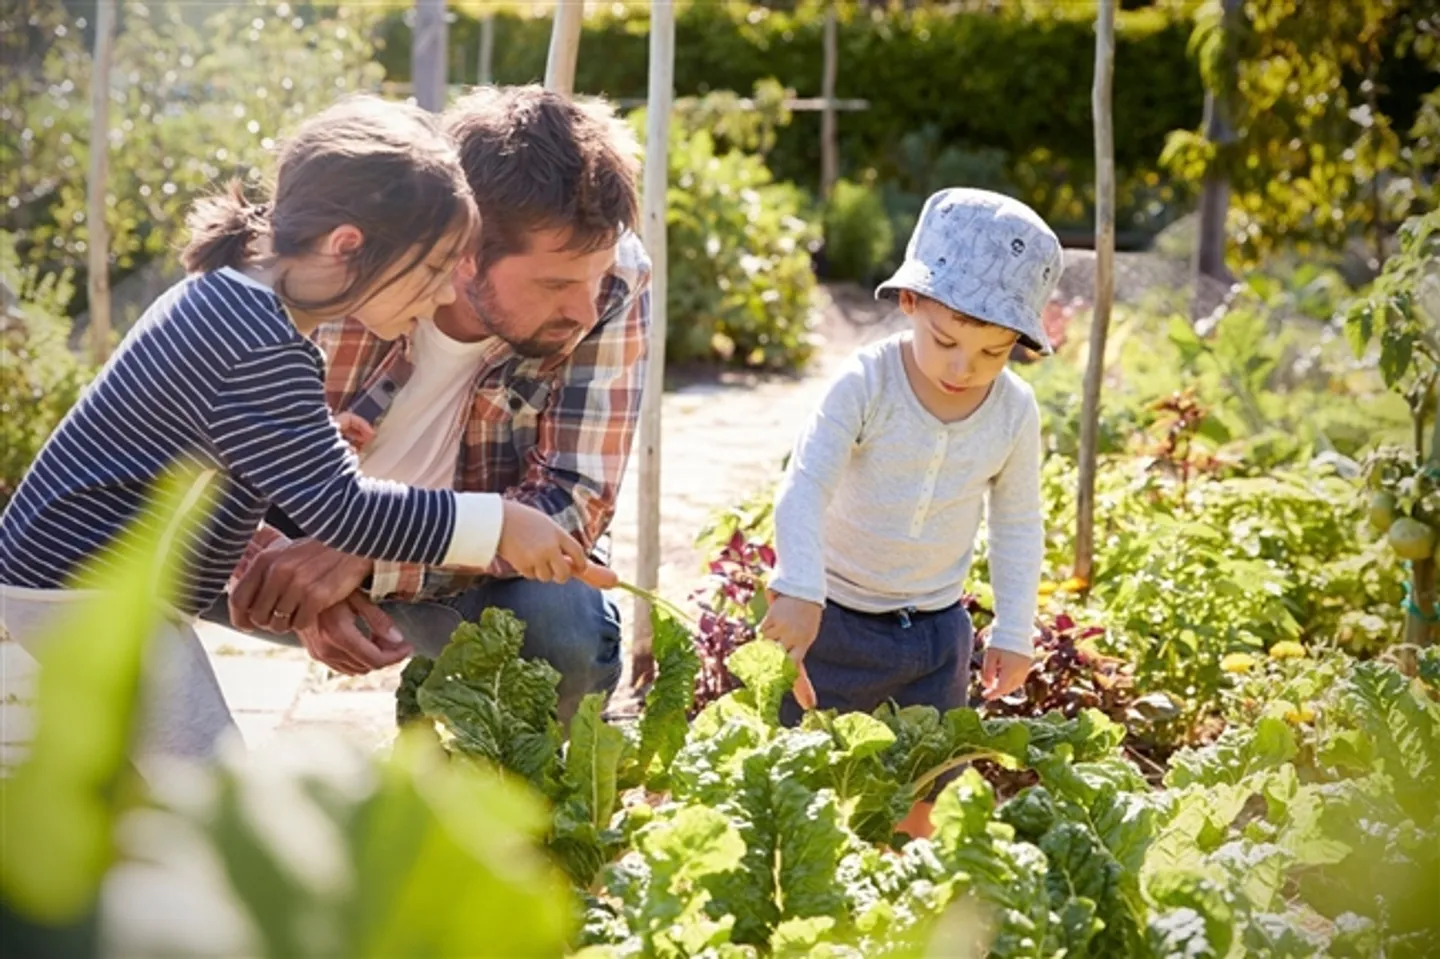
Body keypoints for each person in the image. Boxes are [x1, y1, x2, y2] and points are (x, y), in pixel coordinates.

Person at [0, 94, 609, 768]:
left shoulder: (232, 299)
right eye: (435, 269)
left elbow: (211, 441)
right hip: (90, 587)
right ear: (346, 246)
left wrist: (309, 434)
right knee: (211, 784)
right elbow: (345, 512)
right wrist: (497, 523)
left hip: (74, 574)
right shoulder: (262, 345)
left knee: (155, 774)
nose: (442, 296)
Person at [220, 86, 650, 723]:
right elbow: (186, 475)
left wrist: (363, 549)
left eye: (595, 277)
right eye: (556, 284)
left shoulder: (611, 281)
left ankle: (456, 771)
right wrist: (295, 588)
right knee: (126, 560)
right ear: (467, 255)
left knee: (565, 632)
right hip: (287, 554)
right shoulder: (324, 272)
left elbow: (571, 504)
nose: (586, 310)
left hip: (461, 569)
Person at [759, 187, 1062, 834]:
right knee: (807, 788)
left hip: (935, 635)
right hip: (832, 622)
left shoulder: (1013, 412)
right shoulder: (867, 383)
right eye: (947, 339)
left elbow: (1017, 524)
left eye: (993, 351)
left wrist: (1014, 629)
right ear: (910, 301)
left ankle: (900, 916)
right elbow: (805, 482)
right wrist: (799, 588)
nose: (965, 367)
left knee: (919, 794)